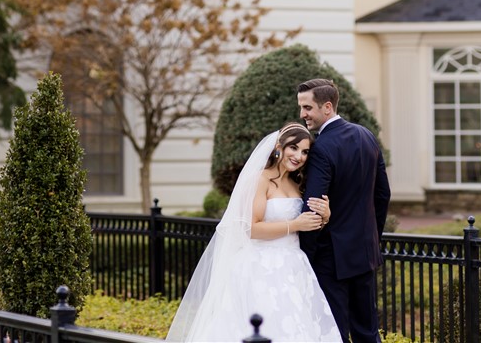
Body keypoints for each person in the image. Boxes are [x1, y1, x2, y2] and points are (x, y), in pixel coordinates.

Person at [166, 123, 343, 342]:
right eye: (294, 148)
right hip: (261, 267)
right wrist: (294, 225)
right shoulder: (260, 180)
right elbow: (252, 228)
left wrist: (325, 215)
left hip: (294, 267)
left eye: (305, 151)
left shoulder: (299, 183)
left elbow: (307, 223)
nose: (299, 156)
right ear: (279, 146)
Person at [297, 77, 391, 343]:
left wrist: (306, 255)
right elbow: (383, 194)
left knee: (334, 332)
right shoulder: (367, 136)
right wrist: (372, 238)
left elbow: (314, 206)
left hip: (330, 257)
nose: (302, 114)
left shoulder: (321, 148)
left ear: (327, 107)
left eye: (307, 108)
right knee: (367, 332)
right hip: (365, 253)